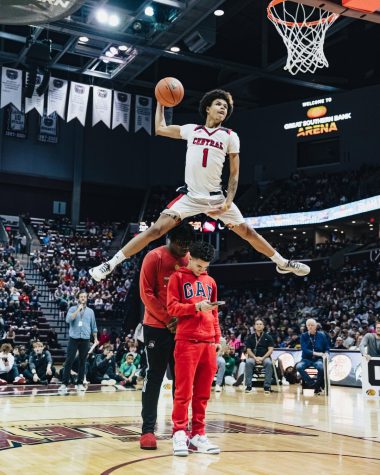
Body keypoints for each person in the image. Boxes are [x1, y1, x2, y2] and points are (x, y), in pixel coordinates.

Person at [89, 90, 310, 283]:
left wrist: (228, 202)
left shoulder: (230, 136)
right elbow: (160, 128)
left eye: (226, 106)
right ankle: (110, 264)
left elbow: (234, 173)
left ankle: (282, 262)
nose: (223, 108)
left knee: (247, 232)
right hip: (190, 197)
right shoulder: (191, 130)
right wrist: (161, 103)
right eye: (219, 104)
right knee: (155, 230)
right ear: (208, 108)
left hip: (216, 198)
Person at [139, 223, 194, 450]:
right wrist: (167, 319)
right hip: (156, 327)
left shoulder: (190, 259)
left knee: (182, 381)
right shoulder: (154, 257)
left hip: (182, 327)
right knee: (154, 378)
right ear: (169, 239)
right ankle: (148, 431)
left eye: (187, 245)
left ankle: (180, 429)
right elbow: (146, 293)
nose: (184, 249)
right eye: (180, 244)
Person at [167, 241, 221, 457]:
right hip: (186, 341)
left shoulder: (211, 281)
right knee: (183, 392)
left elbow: (215, 313)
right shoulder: (177, 278)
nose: (202, 270)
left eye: (205, 267)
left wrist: (218, 338)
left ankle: (198, 434)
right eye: (199, 266)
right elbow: (172, 307)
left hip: (209, 342)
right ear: (190, 258)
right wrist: (196, 307)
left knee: (202, 394)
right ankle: (179, 432)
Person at [59, 291, 98, 393]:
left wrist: (95, 338)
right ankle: (64, 383)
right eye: (81, 297)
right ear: (78, 298)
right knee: (69, 361)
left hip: (85, 338)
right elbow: (68, 320)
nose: (83, 298)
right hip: (74, 338)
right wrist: (77, 310)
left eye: (85, 297)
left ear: (87, 298)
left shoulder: (90, 311)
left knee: (82, 361)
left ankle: (80, 383)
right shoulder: (72, 309)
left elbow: (93, 326)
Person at [296, 318, 330, 395]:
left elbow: (327, 348)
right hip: (306, 359)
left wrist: (326, 353)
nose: (310, 327)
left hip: (318, 359)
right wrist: (317, 353)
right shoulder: (303, 336)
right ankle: (313, 385)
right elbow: (304, 350)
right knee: (298, 366)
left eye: (312, 325)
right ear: (306, 326)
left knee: (321, 367)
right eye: (308, 325)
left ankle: (317, 386)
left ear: (316, 326)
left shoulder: (322, 335)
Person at [244, 319, 275, 394]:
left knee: (269, 363)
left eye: (260, 324)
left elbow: (270, 350)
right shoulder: (250, 337)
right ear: (254, 326)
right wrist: (255, 358)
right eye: (257, 324)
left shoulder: (268, 337)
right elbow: (248, 350)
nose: (259, 325)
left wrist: (262, 358)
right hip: (253, 357)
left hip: (265, 357)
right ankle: (248, 386)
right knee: (248, 362)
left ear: (263, 326)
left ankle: (267, 386)